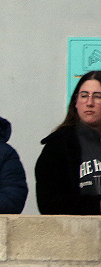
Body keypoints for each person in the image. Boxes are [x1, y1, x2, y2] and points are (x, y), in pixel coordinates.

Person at [36, 71, 101, 214]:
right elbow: (48, 203)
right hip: (77, 226)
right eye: (84, 96)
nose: (89, 103)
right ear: (76, 102)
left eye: (97, 96)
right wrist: (97, 205)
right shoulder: (58, 145)